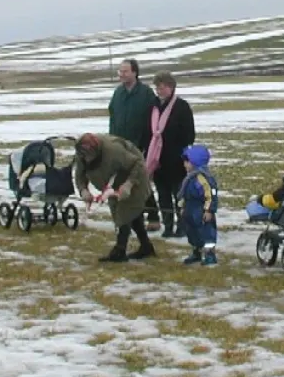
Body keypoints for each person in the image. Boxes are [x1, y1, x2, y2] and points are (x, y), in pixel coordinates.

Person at [73, 133, 157, 263]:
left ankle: (119, 250)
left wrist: (128, 184)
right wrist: (83, 190)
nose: (86, 159)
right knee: (127, 214)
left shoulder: (114, 150)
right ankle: (146, 246)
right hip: (111, 182)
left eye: (89, 156)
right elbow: (79, 174)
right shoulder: (82, 153)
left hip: (133, 176)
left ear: (96, 150)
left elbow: (138, 164)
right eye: (83, 156)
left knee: (124, 212)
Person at [108, 59, 160, 230]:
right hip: (120, 146)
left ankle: (153, 217)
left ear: (135, 73)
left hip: (140, 146)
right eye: (120, 71)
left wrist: (148, 144)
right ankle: (130, 218)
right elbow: (113, 117)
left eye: (125, 71)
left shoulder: (146, 93)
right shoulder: (118, 93)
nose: (121, 74)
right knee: (124, 182)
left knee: (141, 181)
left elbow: (153, 120)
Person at [145, 71, 195, 237]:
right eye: (157, 88)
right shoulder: (152, 107)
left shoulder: (182, 107)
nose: (159, 91)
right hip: (157, 160)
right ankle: (167, 225)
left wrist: (184, 155)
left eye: (162, 87)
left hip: (176, 160)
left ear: (171, 87)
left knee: (179, 195)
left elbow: (189, 134)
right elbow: (147, 132)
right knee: (163, 195)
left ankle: (182, 226)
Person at [178, 144, 218, 266]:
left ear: (195, 162)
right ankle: (196, 251)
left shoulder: (203, 178)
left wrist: (209, 210)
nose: (184, 165)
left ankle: (210, 254)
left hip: (201, 210)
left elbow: (210, 195)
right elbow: (184, 194)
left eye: (187, 162)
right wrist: (182, 206)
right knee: (192, 231)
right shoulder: (189, 178)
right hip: (190, 209)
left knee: (206, 232)